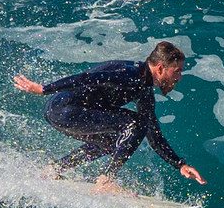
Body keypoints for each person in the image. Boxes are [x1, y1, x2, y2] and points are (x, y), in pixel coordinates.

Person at [13, 41, 206, 192]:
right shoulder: (131, 74)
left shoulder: (144, 88)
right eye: (177, 71)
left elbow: (152, 132)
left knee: (113, 140)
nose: (179, 77)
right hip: (65, 109)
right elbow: (87, 77)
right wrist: (44, 89)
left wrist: (179, 164)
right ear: (161, 68)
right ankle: (106, 181)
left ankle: (54, 170)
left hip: (61, 112)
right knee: (136, 122)